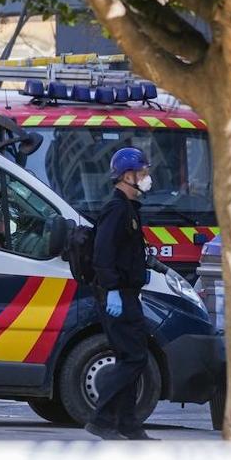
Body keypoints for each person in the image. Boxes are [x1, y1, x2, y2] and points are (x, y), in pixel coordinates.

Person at [85, 146, 154, 441]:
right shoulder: (116, 210)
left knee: (131, 356)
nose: (147, 178)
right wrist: (112, 289)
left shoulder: (128, 209)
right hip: (117, 296)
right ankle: (101, 418)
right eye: (143, 173)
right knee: (134, 357)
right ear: (128, 176)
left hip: (127, 293)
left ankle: (128, 424)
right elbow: (103, 253)